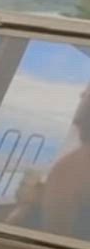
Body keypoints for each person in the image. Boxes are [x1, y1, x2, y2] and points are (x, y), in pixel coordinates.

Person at [11, 83, 90, 239]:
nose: (81, 94)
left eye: (87, 93)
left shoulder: (72, 168)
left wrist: (26, 207)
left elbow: (54, 241)